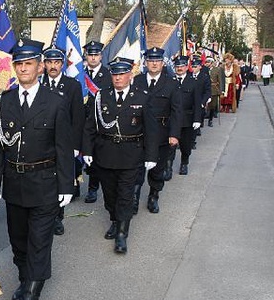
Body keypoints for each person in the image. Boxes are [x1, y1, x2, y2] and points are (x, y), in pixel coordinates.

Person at [0, 38, 73, 300]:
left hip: (45, 183)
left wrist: (66, 186)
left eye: (29, 63)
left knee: (39, 242)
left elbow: (63, 147)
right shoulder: (4, 101)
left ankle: (31, 298)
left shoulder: (56, 103)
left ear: (39, 66)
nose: (23, 68)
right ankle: (25, 281)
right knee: (19, 241)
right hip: (14, 183)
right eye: (19, 64)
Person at [82, 58, 157, 254]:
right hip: (105, 153)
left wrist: (151, 156)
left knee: (125, 195)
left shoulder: (142, 97)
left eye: (122, 74)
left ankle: (122, 233)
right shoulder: (101, 96)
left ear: (130, 75)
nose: (118, 78)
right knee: (109, 194)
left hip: (131, 154)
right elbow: (91, 127)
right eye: (115, 74)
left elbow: (151, 129)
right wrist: (88, 151)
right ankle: (115, 220)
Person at [131, 47, 182, 214]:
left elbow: (176, 111)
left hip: (162, 133)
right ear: (145, 63)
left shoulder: (171, 83)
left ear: (162, 63)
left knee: (157, 169)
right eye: (151, 61)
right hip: (138, 133)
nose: (154, 64)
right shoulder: (136, 81)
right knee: (136, 168)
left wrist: (174, 134)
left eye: (157, 61)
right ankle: (134, 198)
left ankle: (154, 196)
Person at [41, 47, 84, 236]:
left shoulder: (72, 86)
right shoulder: (38, 83)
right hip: (41, 142)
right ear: (44, 64)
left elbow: (78, 117)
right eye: (49, 62)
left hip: (64, 142)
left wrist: (75, 145)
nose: (53, 66)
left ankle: (58, 217)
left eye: (56, 62)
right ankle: (44, 214)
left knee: (60, 179)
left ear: (62, 64)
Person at [81, 40, 111, 203]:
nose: (93, 58)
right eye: (90, 55)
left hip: (98, 120)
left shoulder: (108, 75)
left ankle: (92, 188)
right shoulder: (78, 73)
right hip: (80, 119)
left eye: (96, 55)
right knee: (77, 152)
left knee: (95, 156)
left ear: (101, 56)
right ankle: (74, 184)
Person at [170, 55, 202, 175]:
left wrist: (197, 119)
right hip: (172, 118)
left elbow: (197, 102)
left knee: (185, 144)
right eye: (177, 66)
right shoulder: (169, 81)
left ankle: (184, 163)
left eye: (182, 66)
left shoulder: (193, 82)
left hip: (186, 118)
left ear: (186, 66)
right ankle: (168, 165)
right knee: (170, 143)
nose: (179, 68)